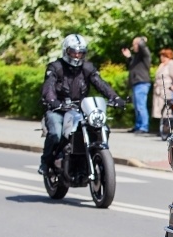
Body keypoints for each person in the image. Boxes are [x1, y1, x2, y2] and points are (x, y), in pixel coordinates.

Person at [39, 34, 124, 175]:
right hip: (58, 109)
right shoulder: (55, 67)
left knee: (102, 127)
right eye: (73, 52)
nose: (77, 56)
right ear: (66, 51)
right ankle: (46, 162)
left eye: (80, 53)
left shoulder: (88, 68)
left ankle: (95, 156)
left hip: (80, 109)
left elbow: (100, 83)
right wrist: (52, 101)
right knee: (55, 134)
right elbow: (49, 86)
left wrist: (115, 97)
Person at [122, 36, 152, 134]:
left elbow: (142, 45)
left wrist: (141, 40)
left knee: (141, 106)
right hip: (136, 83)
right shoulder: (137, 57)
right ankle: (138, 126)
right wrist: (129, 57)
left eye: (134, 44)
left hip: (142, 83)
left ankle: (144, 127)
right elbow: (133, 66)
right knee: (137, 107)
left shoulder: (145, 54)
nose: (133, 46)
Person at [152, 48, 173, 123]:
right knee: (161, 110)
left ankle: (167, 126)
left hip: (167, 90)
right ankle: (163, 126)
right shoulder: (162, 65)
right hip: (159, 91)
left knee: (167, 110)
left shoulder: (171, 64)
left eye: (163, 56)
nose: (161, 57)